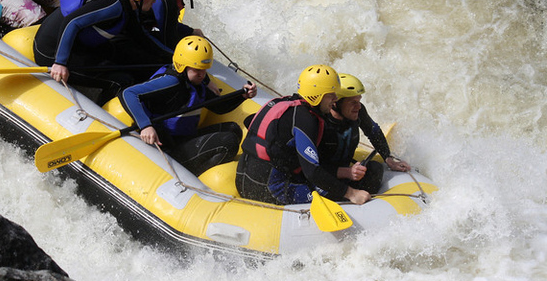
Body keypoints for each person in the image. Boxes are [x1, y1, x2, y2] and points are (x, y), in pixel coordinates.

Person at [33, 0, 173, 100]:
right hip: (51, 53)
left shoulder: (127, 5)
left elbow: (142, 37)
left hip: (76, 46)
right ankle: (100, 115)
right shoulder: (112, 5)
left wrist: (174, 57)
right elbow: (71, 22)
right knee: (122, 81)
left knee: (125, 56)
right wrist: (60, 63)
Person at [235, 64, 372, 206]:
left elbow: (251, 122)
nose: (335, 98)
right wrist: (351, 193)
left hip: (242, 179)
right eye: (331, 94)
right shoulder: (306, 119)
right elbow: (312, 172)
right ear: (317, 96)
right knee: (334, 189)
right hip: (267, 190)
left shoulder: (281, 102)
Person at [119, 36, 257, 176]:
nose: (202, 75)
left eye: (204, 70)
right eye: (197, 70)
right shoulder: (170, 82)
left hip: (181, 139)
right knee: (228, 142)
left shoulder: (196, 83)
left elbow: (218, 107)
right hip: (166, 148)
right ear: (183, 66)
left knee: (234, 129)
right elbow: (128, 93)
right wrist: (145, 126)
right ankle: (192, 176)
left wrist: (243, 96)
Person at [319, 73, 411, 194]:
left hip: (347, 173)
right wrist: (347, 172)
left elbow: (374, 132)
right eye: (352, 102)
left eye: (359, 100)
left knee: (375, 169)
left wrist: (388, 159)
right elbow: (310, 167)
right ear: (335, 103)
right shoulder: (319, 121)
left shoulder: (359, 111)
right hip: (322, 177)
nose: (358, 106)